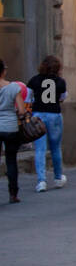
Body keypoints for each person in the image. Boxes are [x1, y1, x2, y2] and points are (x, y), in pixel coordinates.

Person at [27, 55, 68, 192]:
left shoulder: (34, 80)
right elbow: (63, 97)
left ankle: (41, 181)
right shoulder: (61, 82)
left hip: (38, 115)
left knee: (40, 149)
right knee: (56, 147)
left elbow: (28, 97)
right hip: (54, 114)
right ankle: (57, 178)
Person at [0, 57, 29, 203]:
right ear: (3, 72)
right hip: (10, 127)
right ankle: (13, 193)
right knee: (11, 160)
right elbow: (22, 110)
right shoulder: (13, 88)